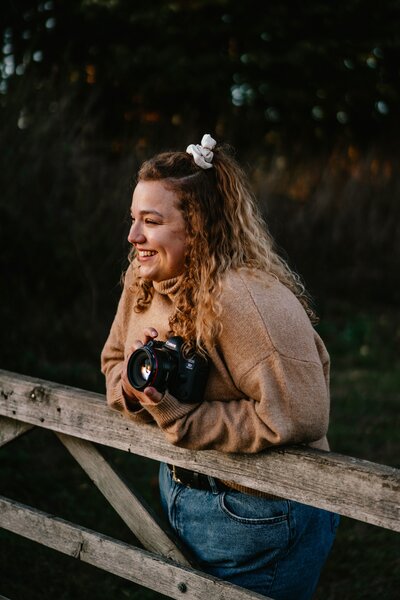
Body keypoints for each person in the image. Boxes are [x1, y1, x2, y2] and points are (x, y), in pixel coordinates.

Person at [101, 134, 339, 599]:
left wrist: (181, 417)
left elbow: (302, 413)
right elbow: (113, 361)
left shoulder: (247, 300)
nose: (133, 237)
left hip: (259, 510)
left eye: (150, 222)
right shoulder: (142, 279)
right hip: (176, 489)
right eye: (133, 220)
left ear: (198, 227)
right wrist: (134, 389)